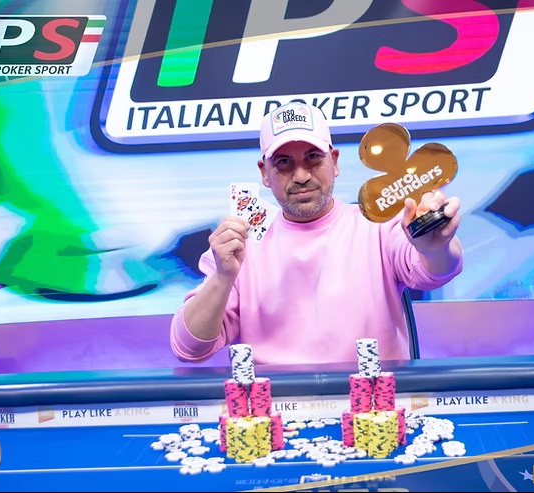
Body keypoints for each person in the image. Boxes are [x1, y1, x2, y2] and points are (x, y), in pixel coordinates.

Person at [170, 102, 463, 365]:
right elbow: (189, 349)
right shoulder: (238, 247)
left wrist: (435, 248)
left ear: (334, 162)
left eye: (312, 157)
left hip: (374, 402)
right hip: (273, 404)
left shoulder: (379, 225)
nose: (301, 176)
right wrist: (222, 277)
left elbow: (437, 271)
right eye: (283, 162)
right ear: (264, 173)